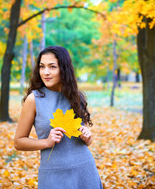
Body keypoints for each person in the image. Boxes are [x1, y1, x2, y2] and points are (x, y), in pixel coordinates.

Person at [14, 45, 103, 189]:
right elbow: (18, 142)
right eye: (42, 67)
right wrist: (47, 142)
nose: (46, 72)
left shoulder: (75, 96)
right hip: (53, 173)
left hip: (84, 170)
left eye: (52, 67)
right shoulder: (34, 99)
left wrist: (88, 137)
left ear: (64, 68)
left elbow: (86, 140)